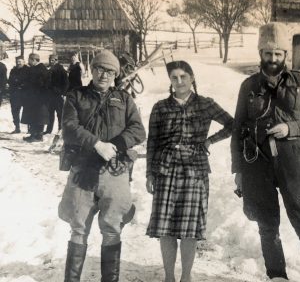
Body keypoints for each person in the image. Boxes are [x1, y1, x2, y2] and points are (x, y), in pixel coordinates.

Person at [231, 22, 300, 282]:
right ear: (260, 54)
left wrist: (291, 127)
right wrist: (238, 170)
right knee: (267, 226)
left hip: (293, 162)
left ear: (285, 55)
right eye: (268, 53)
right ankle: (277, 277)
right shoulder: (249, 86)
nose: (273, 59)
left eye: (278, 54)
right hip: (257, 164)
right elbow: (238, 128)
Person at [58, 50, 145, 282]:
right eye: (99, 69)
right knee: (78, 227)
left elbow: (138, 130)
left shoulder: (125, 99)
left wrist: (114, 146)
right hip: (82, 169)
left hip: (114, 170)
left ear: (116, 74)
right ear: (92, 70)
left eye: (109, 71)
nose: (103, 75)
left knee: (112, 227)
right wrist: (97, 144)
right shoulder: (76, 96)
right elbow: (68, 127)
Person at [146, 60, 233, 282]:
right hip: (166, 170)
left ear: (192, 78)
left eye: (183, 76)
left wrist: (210, 141)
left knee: (189, 227)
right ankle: (169, 277)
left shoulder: (205, 104)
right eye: (174, 77)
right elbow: (152, 142)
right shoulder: (160, 107)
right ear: (170, 81)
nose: (179, 81)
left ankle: (186, 277)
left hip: (195, 171)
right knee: (165, 227)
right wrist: (150, 173)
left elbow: (233, 124)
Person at [21, 53, 50, 142]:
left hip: (39, 99)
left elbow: (43, 84)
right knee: (33, 116)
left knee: (39, 117)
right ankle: (33, 134)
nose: (28, 61)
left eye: (29, 60)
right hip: (33, 98)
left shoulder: (41, 69)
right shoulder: (34, 69)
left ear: (33, 60)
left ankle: (38, 136)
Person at [45, 54, 69, 134]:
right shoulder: (48, 69)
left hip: (58, 95)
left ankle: (60, 129)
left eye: (52, 60)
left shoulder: (61, 70)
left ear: (56, 60)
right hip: (49, 95)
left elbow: (66, 83)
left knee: (60, 114)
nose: (51, 62)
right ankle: (49, 130)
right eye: (50, 60)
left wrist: (63, 93)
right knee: (50, 113)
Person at [8, 56, 28, 133]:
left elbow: (29, 81)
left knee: (27, 111)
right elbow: (10, 80)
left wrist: (20, 84)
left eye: (20, 61)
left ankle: (29, 129)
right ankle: (17, 127)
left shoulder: (28, 70)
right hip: (15, 94)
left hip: (25, 94)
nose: (18, 63)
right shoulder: (13, 70)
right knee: (15, 111)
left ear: (24, 62)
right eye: (17, 61)